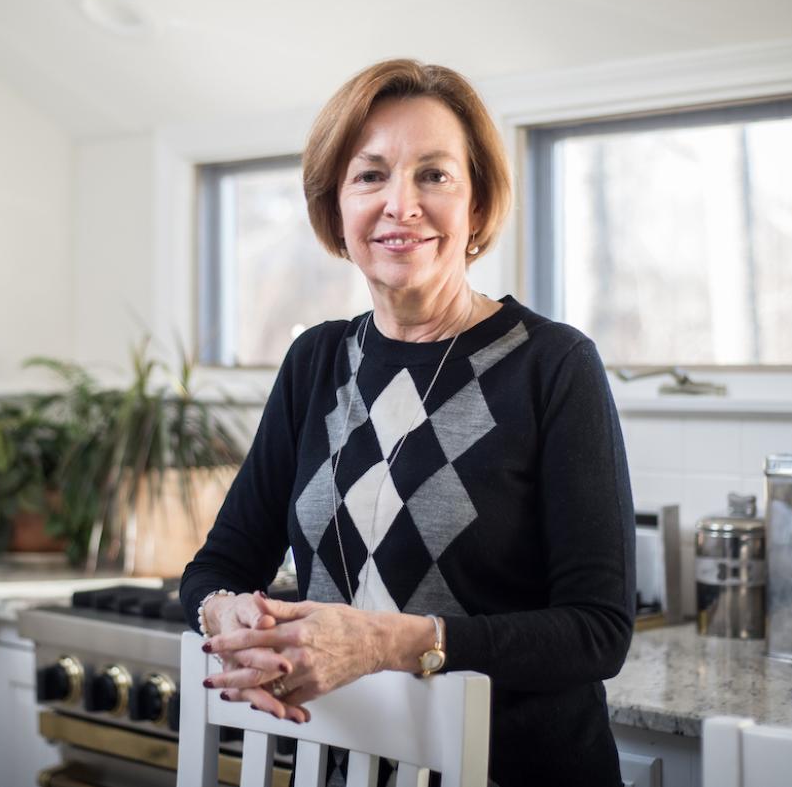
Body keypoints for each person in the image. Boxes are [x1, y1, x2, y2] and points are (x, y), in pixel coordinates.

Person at [180, 59, 635, 786]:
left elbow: (598, 631)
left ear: (478, 204)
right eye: (370, 176)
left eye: (434, 174)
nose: (402, 204)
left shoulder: (553, 365)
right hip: (342, 765)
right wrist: (222, 612)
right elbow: (218, 564)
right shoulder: (316, 361)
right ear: (335, 208)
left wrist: (391, 642)